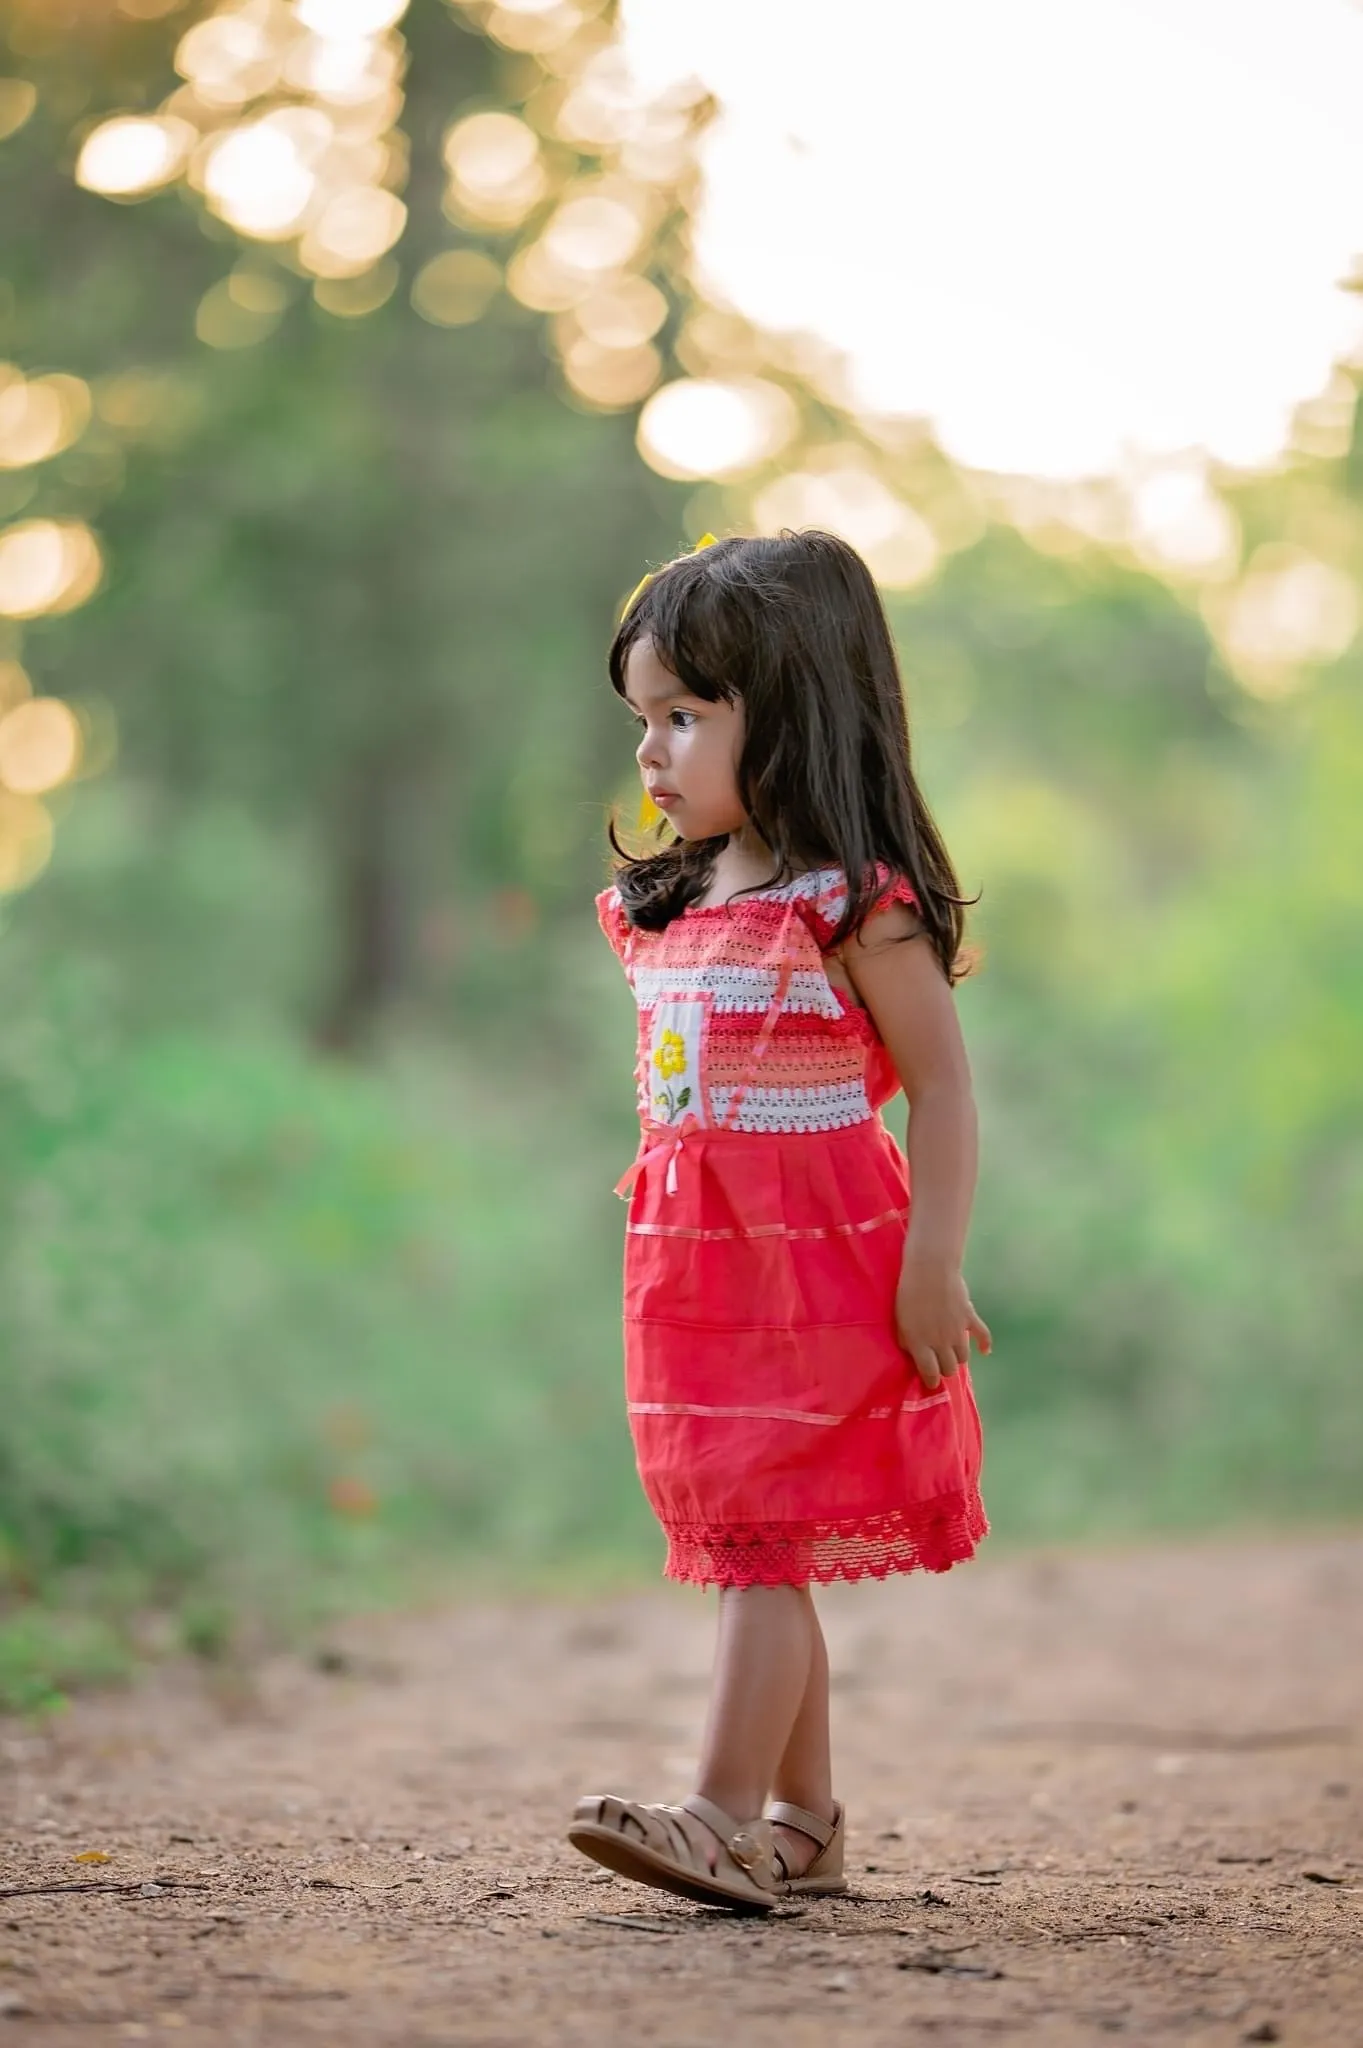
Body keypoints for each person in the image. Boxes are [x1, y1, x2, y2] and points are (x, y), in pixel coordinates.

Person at [567, 528, 990, 1911]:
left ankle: (714, 1812)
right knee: (759, 1537)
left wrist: (933, 1266)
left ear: (794, 709)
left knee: (760, 1544)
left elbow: (940, 1088)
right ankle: (804, 1819)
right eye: (643, 721)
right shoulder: (672, 907)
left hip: (825, 1283)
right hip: (698, 1287)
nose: (653, 752)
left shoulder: (847, 908)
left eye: (686, 717)